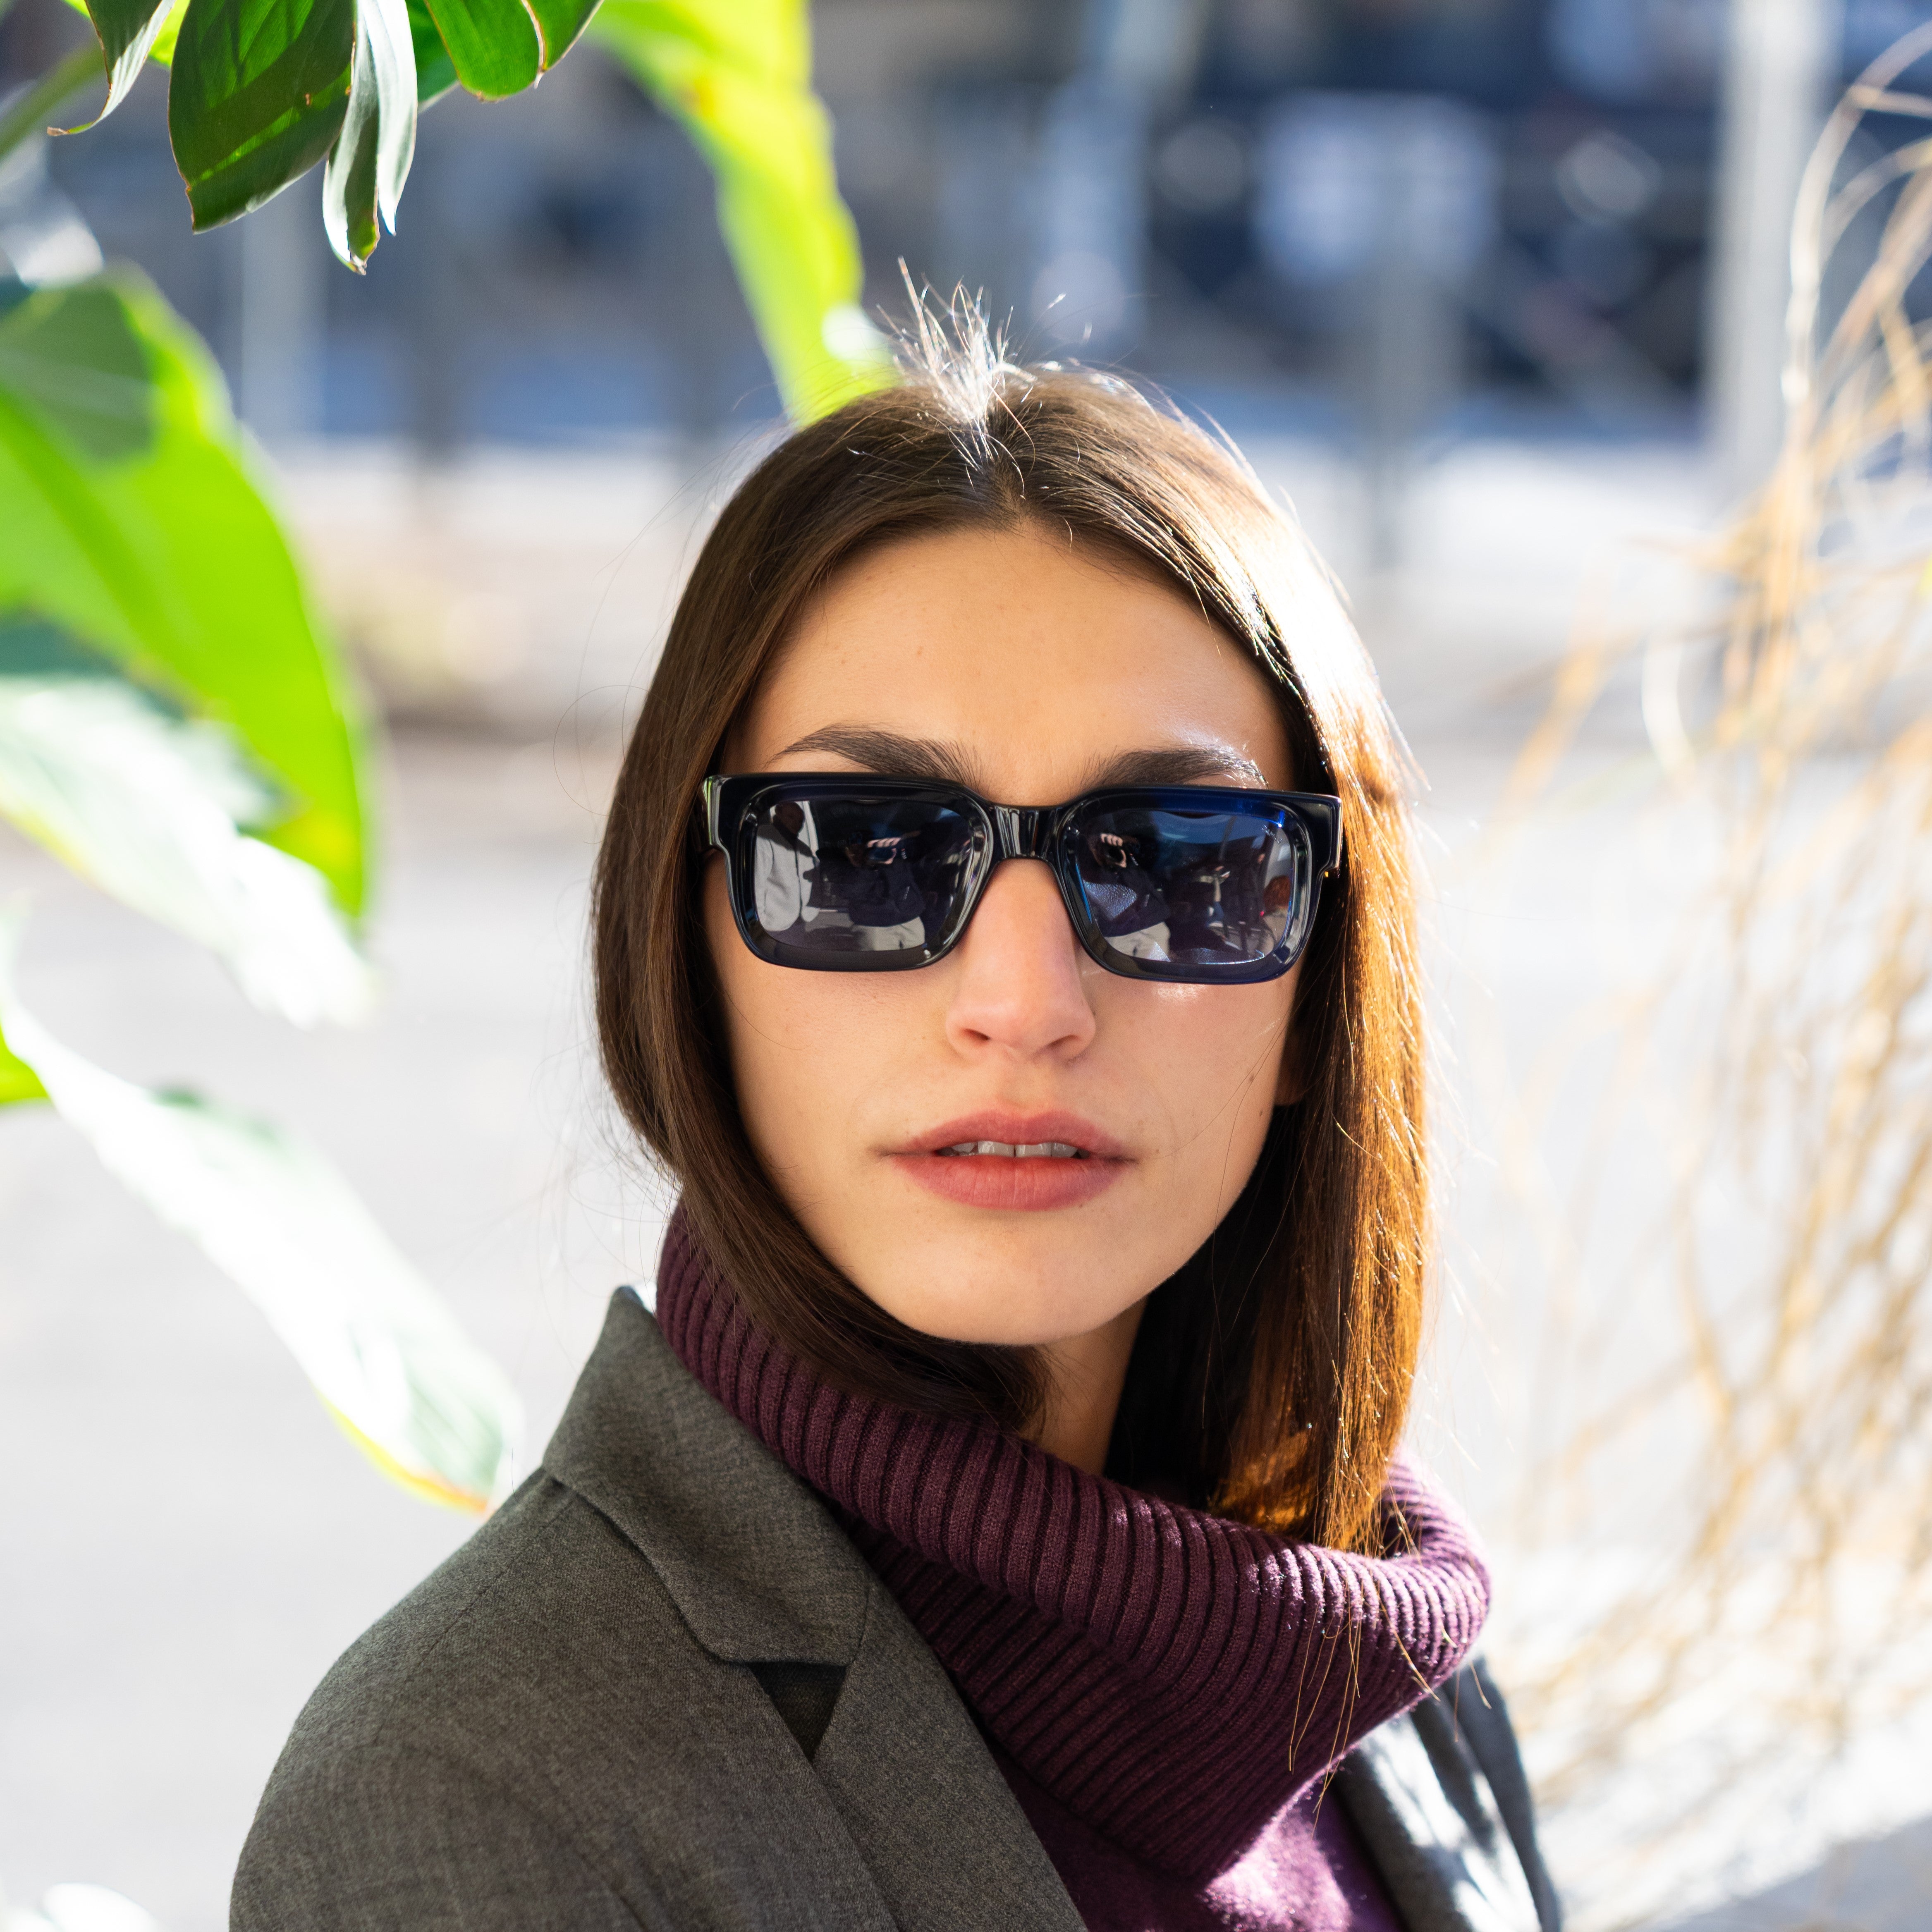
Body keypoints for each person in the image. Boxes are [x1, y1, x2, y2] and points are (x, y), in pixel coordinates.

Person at [232, 318, 1562, 1932]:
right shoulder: (475, 1793)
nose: (1024, 1001)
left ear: (1318, 987)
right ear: (686, 947)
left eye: (1176, 862)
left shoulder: (1384, 1671)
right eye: (863, 855)